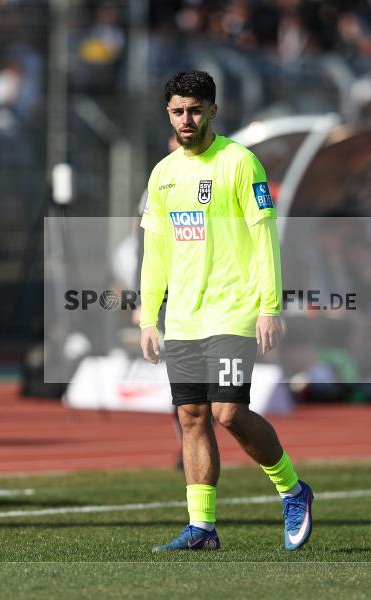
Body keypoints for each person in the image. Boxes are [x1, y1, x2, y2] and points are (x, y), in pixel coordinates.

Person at [139, 71, 313, 552]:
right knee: (192, 415)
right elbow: (155, 253)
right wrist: (148, 317)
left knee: (229, 412)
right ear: (168, 115)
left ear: (212, 110)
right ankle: (202, 528)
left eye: (195, 110)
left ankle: (292, 491)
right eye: (178, 111)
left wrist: (268, 306)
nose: (186, 119)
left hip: (235, 309)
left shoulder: (240, 162)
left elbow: (264, 237)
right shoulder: (163, 175)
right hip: (184, 317)